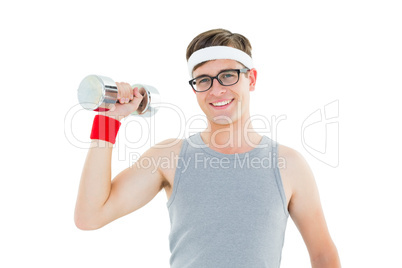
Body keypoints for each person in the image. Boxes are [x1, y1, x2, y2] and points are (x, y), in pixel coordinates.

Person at [75, 28, 341, 268]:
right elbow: (90, 216)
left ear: (251, 79)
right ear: (195, 88)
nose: (216, 90)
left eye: (228, 75)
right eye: (203, 80)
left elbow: (323, 256)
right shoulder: (169, 156)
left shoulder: (288, 164)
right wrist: (109, 120)